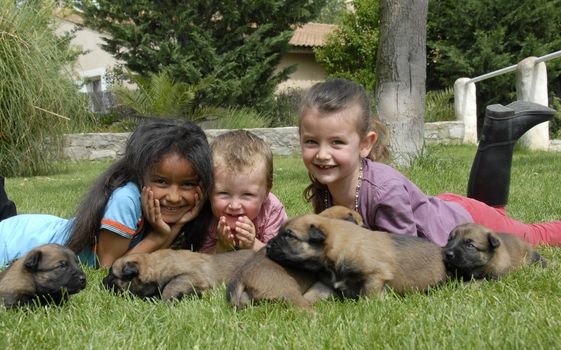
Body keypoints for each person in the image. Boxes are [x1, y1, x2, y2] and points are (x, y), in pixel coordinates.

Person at [299, 78, 561, 247]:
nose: (322, 154)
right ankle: (501, 128)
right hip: (441, 208)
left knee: (530, 237)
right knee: (495, 211)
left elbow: (406, 256)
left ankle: (500, 129)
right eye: (311, 142)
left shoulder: (384, 190)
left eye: (337, 143)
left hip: (465, 222)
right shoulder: (325, 183)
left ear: (365, 144)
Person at [0, 118, 214, 268]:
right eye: (161, 181)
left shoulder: (188, 209)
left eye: (187, 184)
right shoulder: (126, 199)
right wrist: (160, 235)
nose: (174, 197)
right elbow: (110, 269)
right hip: (17, 240)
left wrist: (174, 228)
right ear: (140, 175)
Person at [199, 130, 288, 253]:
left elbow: (278, 257)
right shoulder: (205, 213)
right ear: (209, 189)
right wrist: (222, 246)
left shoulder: (272, 211)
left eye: (247, 195)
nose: (234, 206)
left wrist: (252, 244)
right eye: (223, 193)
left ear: (266, 192)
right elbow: (202, 262)